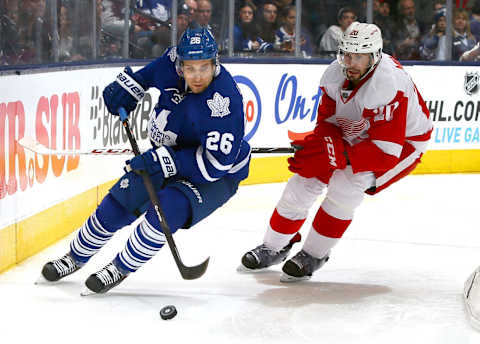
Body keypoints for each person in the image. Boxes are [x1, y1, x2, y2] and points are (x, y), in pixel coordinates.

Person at [39, 27, 251, 294]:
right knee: (119, 202)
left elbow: (215, 165)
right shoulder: (171, 63)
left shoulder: (224, 101)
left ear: (214, 63)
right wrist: (127, 91)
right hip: (166, 154)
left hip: (216, 174)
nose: (197, 76)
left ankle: (119, 267)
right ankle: (74, 257)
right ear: (180, 64)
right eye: (190, 68)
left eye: (204, 68)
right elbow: (146, 76)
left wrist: (165, 160)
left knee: (167, 208)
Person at [239, 22, 433, 282]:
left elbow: (386, 152)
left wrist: (340, 153)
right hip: (357, 132)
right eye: (347, 55)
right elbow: (327, 123)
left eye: (359, 57)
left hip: (403, 143)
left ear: (374, 57)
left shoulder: (389, 84)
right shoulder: (333, 75)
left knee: (347, 185)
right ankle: (273, 246)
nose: (350, 63)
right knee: (303, 181)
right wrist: (321, 147)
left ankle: (314, 254)